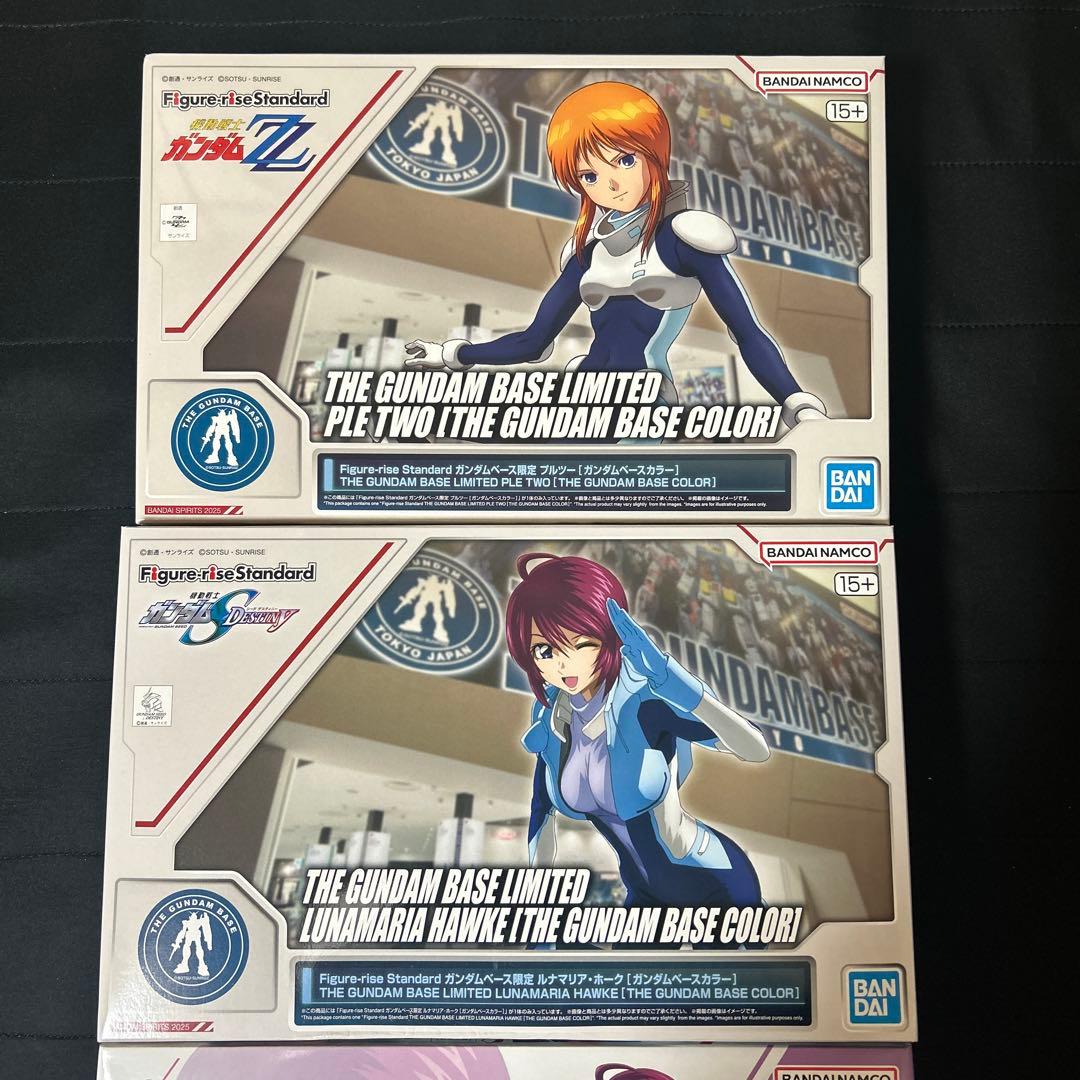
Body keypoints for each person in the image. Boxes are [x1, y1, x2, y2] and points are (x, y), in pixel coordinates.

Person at [404, 81, 827, 427]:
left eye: (624, 160)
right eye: (589, 174)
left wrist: (795, 401)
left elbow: (747, 332)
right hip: (581, 396)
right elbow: (533, 342)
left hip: (641, 400)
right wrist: (451, 354)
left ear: (653, 155)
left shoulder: (685, 238)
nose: (609, 184)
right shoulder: (586, 253)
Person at [505, 552, 770, 911]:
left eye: (581, 643)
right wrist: (539, 903)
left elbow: (755, 749)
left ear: (610, 635)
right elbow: (542, 810)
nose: (564, 663)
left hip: (713, 881)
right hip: (643, 893)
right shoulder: (552, 717)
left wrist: (674, 682)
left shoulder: (642, 701)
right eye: (545, 649)